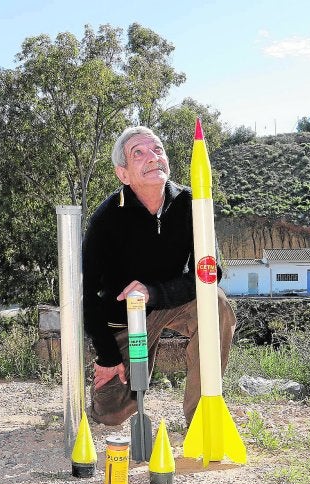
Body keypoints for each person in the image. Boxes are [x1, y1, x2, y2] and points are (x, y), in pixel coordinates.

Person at [82, 125, 236, 427]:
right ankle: (104, 398)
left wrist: (154, 293)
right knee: (111, 413)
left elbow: (210, 271)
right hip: (125, 319)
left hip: (171, 302)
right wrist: (108, 356)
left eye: (157, 150)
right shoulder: (106, 218)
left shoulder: (190, 203)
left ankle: (202, 419)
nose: (152, 157)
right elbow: (86, 293)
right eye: (138, 153)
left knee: (216, 303)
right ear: (123, 174)